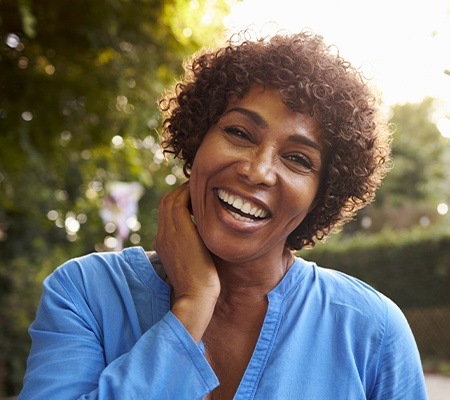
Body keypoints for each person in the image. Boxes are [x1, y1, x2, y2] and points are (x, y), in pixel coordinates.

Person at [19, 28, 428, 400]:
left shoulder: (372, 331)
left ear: (321, 196)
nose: (257, 170)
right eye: (239, 133)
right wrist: (192, 305)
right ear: (197, 139)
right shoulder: (85, 293)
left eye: (298, 159)